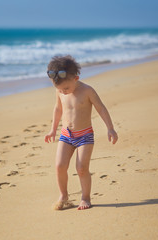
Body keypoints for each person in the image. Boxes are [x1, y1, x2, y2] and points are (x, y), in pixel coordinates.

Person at [44, 55, 118, 210]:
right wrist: (53, 130)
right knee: (59, 166)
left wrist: (110, 128)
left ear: (76, 78)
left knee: (81, 168)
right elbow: (58, 109)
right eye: (59, 89)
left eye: (66, 89)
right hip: (66, 135)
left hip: (85, 136)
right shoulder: (60, 91)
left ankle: (85, 197)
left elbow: (101, 108)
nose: (63, 92)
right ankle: (63, 195)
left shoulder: (87, 91)